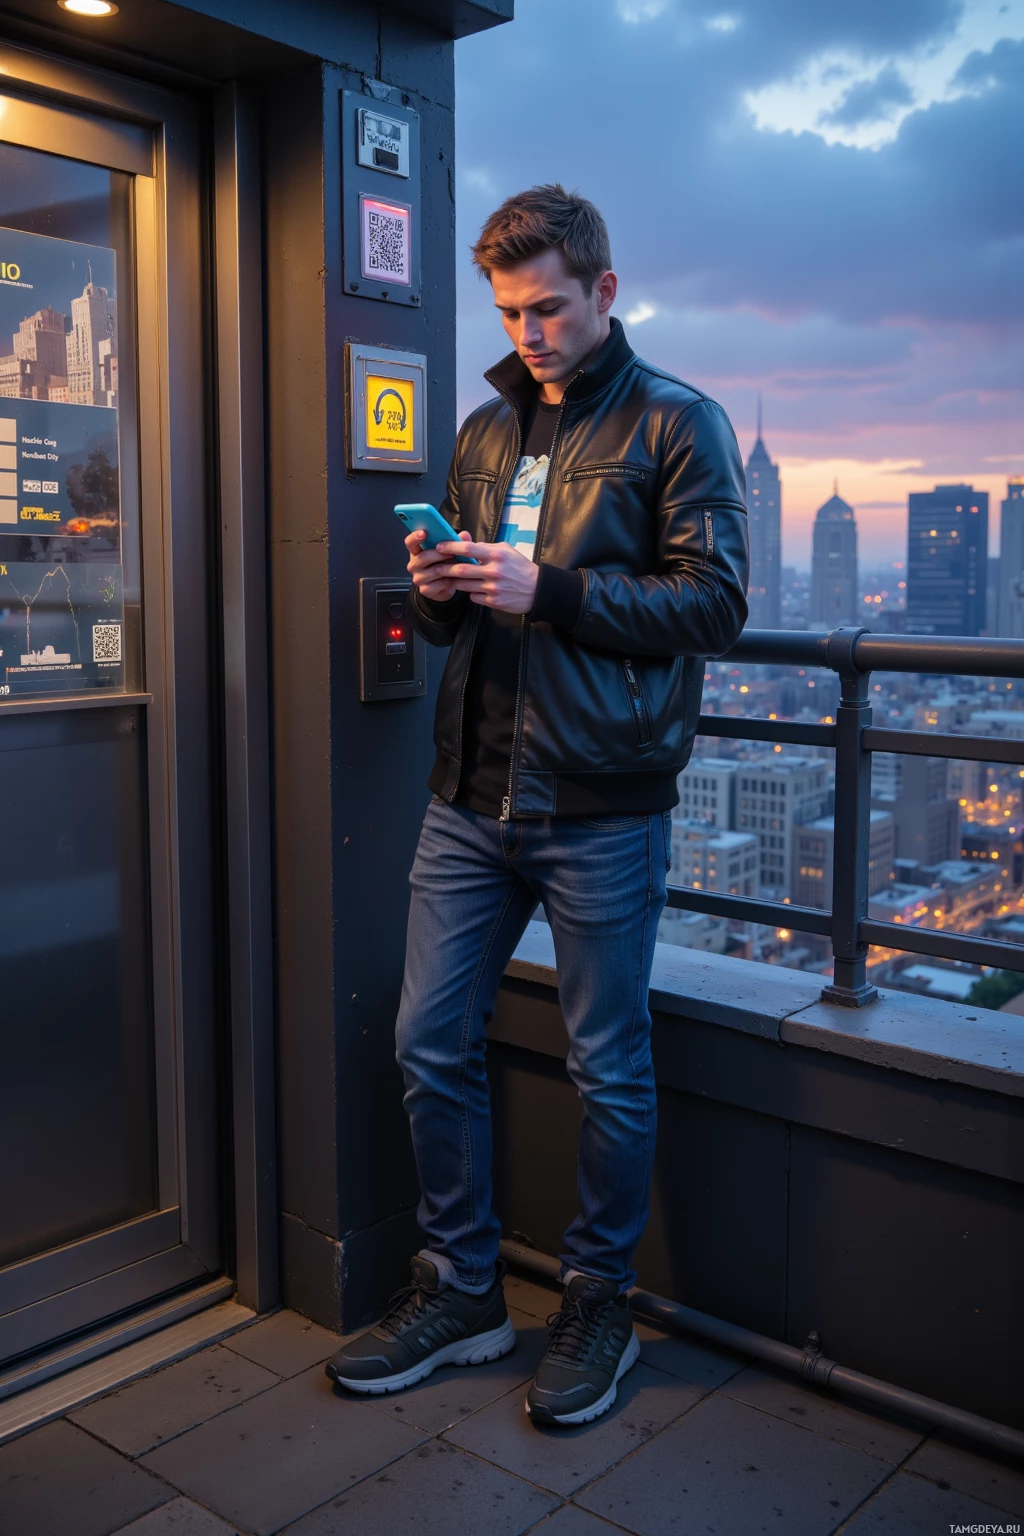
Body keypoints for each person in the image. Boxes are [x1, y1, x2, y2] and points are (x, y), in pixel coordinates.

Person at [327, 184, 748, 1426]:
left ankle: (599, 1301)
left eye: (549, 307)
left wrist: (548, 590)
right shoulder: (480, 432)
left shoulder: (681, 423)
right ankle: (462, 1285)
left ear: (603, 293)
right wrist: (446, 585)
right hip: (468, 796)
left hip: (602, 806)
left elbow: (712, 604)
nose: (528, 331)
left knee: (609, 1068)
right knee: (425, 1040)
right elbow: (473, 608)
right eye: (509, 310)